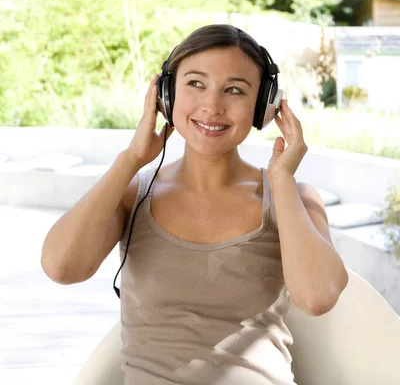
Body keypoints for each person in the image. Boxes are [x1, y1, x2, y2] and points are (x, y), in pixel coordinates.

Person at [41, 24, 349, 385]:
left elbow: (317, 298)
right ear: (165, 96)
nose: (212, 106)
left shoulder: (294, 198)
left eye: (234, 90)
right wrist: (131, 159)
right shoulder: (133, 194)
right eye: (196, 84)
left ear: (264, 106)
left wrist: (281, 180)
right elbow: (61, 268)